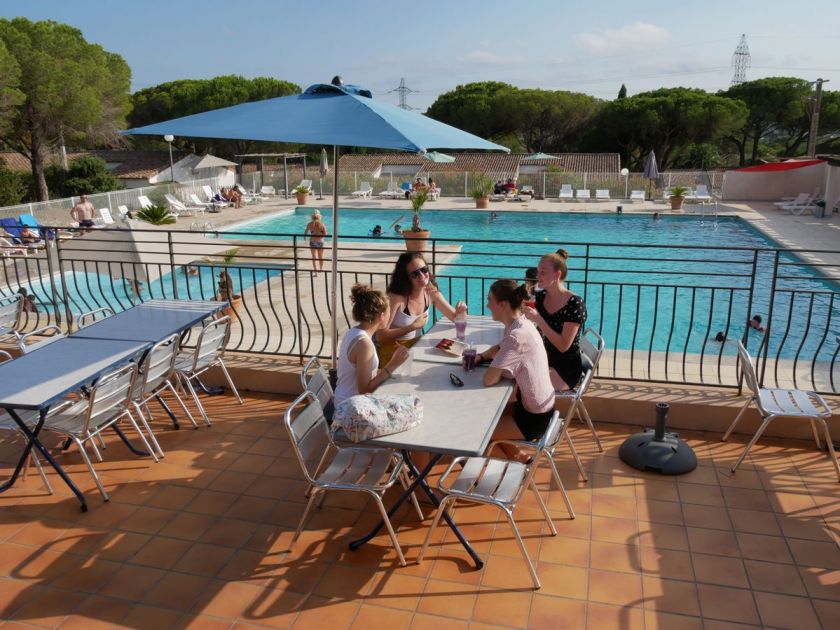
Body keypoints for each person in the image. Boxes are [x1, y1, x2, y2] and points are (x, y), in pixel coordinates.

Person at [476, 279, 555, 456]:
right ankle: (519, 460)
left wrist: (494, 366)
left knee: (479, 432)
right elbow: (499, 348)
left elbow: (489, 380)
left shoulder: (516, 336)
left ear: (503, 304)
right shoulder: (521, 323)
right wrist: (482, 356)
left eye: (490, 300)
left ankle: (502, 477)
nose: (487, 305)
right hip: (542, 407)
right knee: (487, 418)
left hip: (533, 419)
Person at [376, 252, 467, 364]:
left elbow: (455, 318)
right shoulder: (396, 298)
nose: (422, 276)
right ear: (405, 278)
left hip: (416, 346)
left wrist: (461, 312)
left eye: (424, 270)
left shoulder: (431, 292)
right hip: (392, 350)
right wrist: (412, 327)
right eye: (415, 274)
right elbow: (380, 336)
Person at [334, 283, 409, 406]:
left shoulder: (353, 332)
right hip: (351, 410)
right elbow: (364, 390)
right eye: (389, 312)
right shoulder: (364, 344)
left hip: (347, 402)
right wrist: (393, 364)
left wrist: (389, 368)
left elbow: (365, 375)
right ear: (382, 316)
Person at [523, 250, 587, 391]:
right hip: (543, 358)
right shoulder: (541, 296)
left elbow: (563, 346)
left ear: (557, 275)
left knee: (522, 386)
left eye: (543, 272)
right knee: (508, 372)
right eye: (538, 271)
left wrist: (539, 320)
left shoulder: (574, 304)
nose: (538, 276)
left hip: (565, 369)